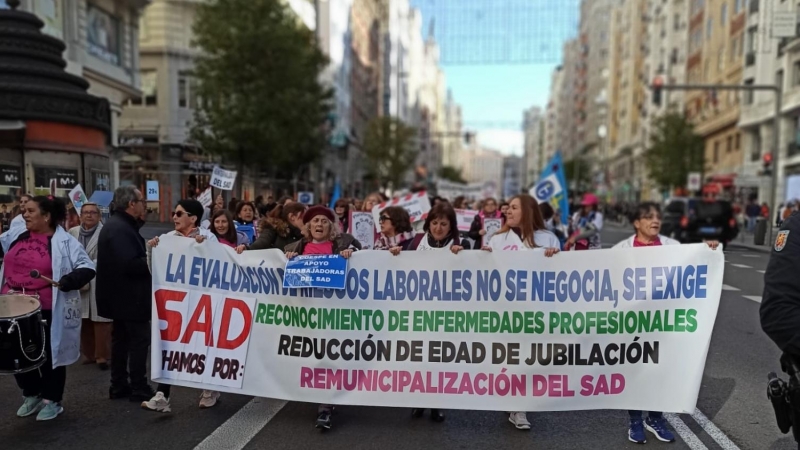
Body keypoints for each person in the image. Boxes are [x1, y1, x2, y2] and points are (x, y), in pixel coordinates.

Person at [613, 202, 718, 443]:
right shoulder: (622, 249)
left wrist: (707, 251)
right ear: (636, 223)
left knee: (660, 370)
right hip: (634, 324)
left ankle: (655, 418)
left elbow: (691, 266)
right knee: (636, 371)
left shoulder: (673, 248)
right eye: (648, 217)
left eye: (657, 216)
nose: (655, 220)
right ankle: (635, 420)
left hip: (663, 324)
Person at [2, 195, 96, 421]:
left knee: (48, 355)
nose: (25, 214)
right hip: (10, 307)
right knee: (15, 354)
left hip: (44, 309)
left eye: (31, 211)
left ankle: (52, 400)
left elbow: (87, 267)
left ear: (46, 216)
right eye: (25, 211)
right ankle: (31, 394)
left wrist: (68, 281)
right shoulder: (16, 235)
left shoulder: (64, 242)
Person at [481, 194, 560, 431]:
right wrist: (479, 258)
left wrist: (556, 259)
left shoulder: (548, 238)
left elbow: (561, 275)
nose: (508, 211)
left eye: (514, 208)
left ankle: (520, 406)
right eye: (508, 208)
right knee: (508, 356)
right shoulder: (497, 239)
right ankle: (513, 400)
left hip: (534, 312)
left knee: (527, 356)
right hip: (505, 310)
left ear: (528, 211)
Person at [284, 205, 361, 430]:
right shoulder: (297, 247)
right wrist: (288, 258)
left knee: (329, 356)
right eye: (315, 221)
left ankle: (325, 409)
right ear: (308, 226)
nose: (319, 225)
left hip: (333, 313)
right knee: (311, 356)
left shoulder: (342, 244)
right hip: (306, 315)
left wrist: (352, 255)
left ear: (331, 226)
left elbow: (368, 256)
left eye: (324, 221)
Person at [143, 199, 218, 412]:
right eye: (175, 214)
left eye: (179, 213)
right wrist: (152, 251)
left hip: (202, 303)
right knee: (171, 347)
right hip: (176, 304)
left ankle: (209, 389)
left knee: (203, 346)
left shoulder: (208, 237)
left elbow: (220, 267)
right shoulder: (167, 239)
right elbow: (155, 272)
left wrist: (206, 247)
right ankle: (162, 394)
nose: (174, 218)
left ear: (193, 218)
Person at [401, 203, 468, 422]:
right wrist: (395, 256)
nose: (438, 228)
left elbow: (477, 271)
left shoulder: (462, 243)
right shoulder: (417, 242)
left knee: (440, 360)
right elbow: (401, 267)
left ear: (451, 226)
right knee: (419, 358)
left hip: (447, 314)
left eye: (443, 224)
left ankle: (437, 403)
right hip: (420, 312)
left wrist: (467, 256)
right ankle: (418, 400)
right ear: (428, 223)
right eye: (435, 223)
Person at [96, 186, 154, 403]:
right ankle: (138, 385)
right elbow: (130, 264)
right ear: (131, 204)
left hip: (119, 297)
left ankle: (119, 384)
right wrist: (153, 259)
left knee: (121, 340)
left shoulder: (118, 225)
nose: (143, 204)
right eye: (141, 200)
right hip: (130, 298)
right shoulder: (120, 228)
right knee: (138, 341)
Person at [68, 202, 110, 370]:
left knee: (100, 321)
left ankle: (102, 356)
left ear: (99, 216)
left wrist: (86, 266)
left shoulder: (105, 232)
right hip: (78, 277)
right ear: (80, 215)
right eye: (85, 212)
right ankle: (89, 354)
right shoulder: (73, 232)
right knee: (83, 319)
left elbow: (107, 256)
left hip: (97, 278)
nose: (89, 215)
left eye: (93, 212)